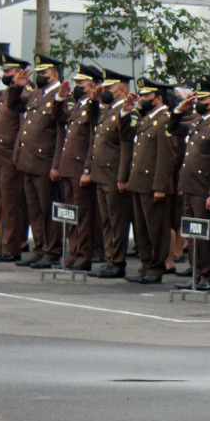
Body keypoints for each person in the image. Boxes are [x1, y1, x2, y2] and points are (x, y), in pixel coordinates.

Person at [7, 54, 65, 269]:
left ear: (55, 75)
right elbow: (14, 106)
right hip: (28, 160)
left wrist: (56, 164)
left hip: (45, 161)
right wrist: (16, 86)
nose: (41, 76)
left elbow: (61, 134)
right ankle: (39, 249)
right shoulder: (36, 93)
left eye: (44, 73)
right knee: (34, 209)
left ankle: (51, 251)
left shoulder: (61, 96)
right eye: (39, 73)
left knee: (47, 209)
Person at [174, 77, 210, 292]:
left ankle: (207, 275)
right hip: (190, 186)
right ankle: (196, 272)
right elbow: (174, 127)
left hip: (204, 188)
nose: (198, 102)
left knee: (205, 235)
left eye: (203, 99)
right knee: (192, 233)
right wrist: (180, 108)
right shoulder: (199, 121)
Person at [124, 78, 177, 284]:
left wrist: (160, 187)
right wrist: (127, 112)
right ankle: (146, 265)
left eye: (147, 96)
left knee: (156, 228)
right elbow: (127, 133)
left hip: (152, 184)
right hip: (138, 182)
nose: (142, 99)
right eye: (142, 95)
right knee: (141, 229)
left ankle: (156, 268)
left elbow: (166, 157)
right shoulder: (145, 119)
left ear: (158, 98)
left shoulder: (165, 120)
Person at [0, 56, 30, 262]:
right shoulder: (9, 92)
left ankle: (11, 248)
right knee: (0, 203)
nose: (5, 75)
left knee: (11, 206)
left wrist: (18, 153)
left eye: (9, 72)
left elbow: (23, 128)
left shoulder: (25, 94)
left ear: (20, 72)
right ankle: (2, 245)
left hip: (10, 155)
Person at [87, 69, 136, 279]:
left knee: (117, 221)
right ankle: (109, 259)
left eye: (109, 88)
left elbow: (126, 147)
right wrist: (94, 101)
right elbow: (91, 120)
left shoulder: (128, 113)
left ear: (123, 90)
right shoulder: (107, 110)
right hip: (101, 174)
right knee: (106, 221)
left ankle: (117, 262)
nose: (104, 91)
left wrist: (122, 177)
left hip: (114, 175)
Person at [54, 65, 103, 271]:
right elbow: (58, 118)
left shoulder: (94, 109)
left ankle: (84, 256)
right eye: (76, 83)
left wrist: (87, 169)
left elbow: (93, 141)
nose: (77, 86)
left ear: (93, 86)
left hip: (79, 169)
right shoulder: (76, 105)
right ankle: (73, 253)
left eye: (81, 83)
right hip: (68, 168)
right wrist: (59, 99)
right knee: (70, 214)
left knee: (83, 216)